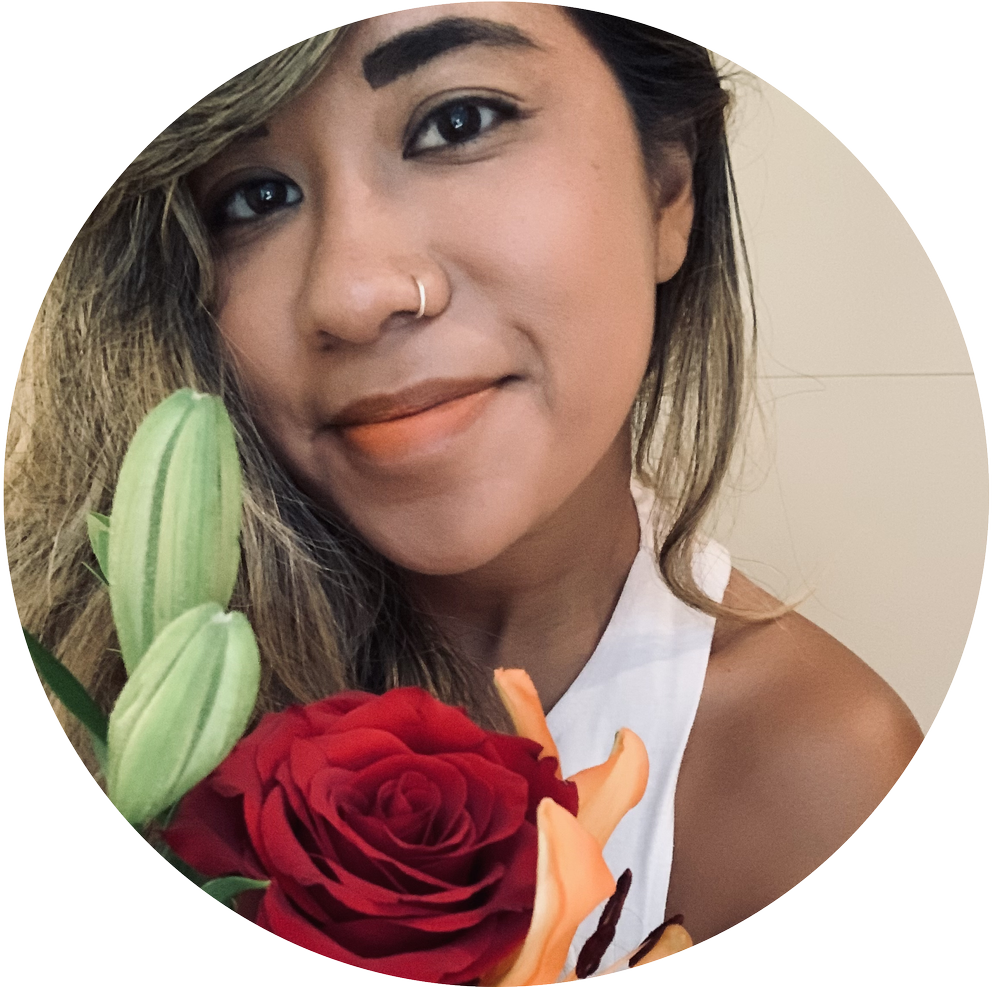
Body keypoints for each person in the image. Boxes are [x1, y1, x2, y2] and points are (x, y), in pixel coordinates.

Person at [6, 1, 922, 965]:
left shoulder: (826, 782)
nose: (354, 294)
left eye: (457, 122)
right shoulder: (70, 688)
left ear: (668, 185)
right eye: (255, 196)